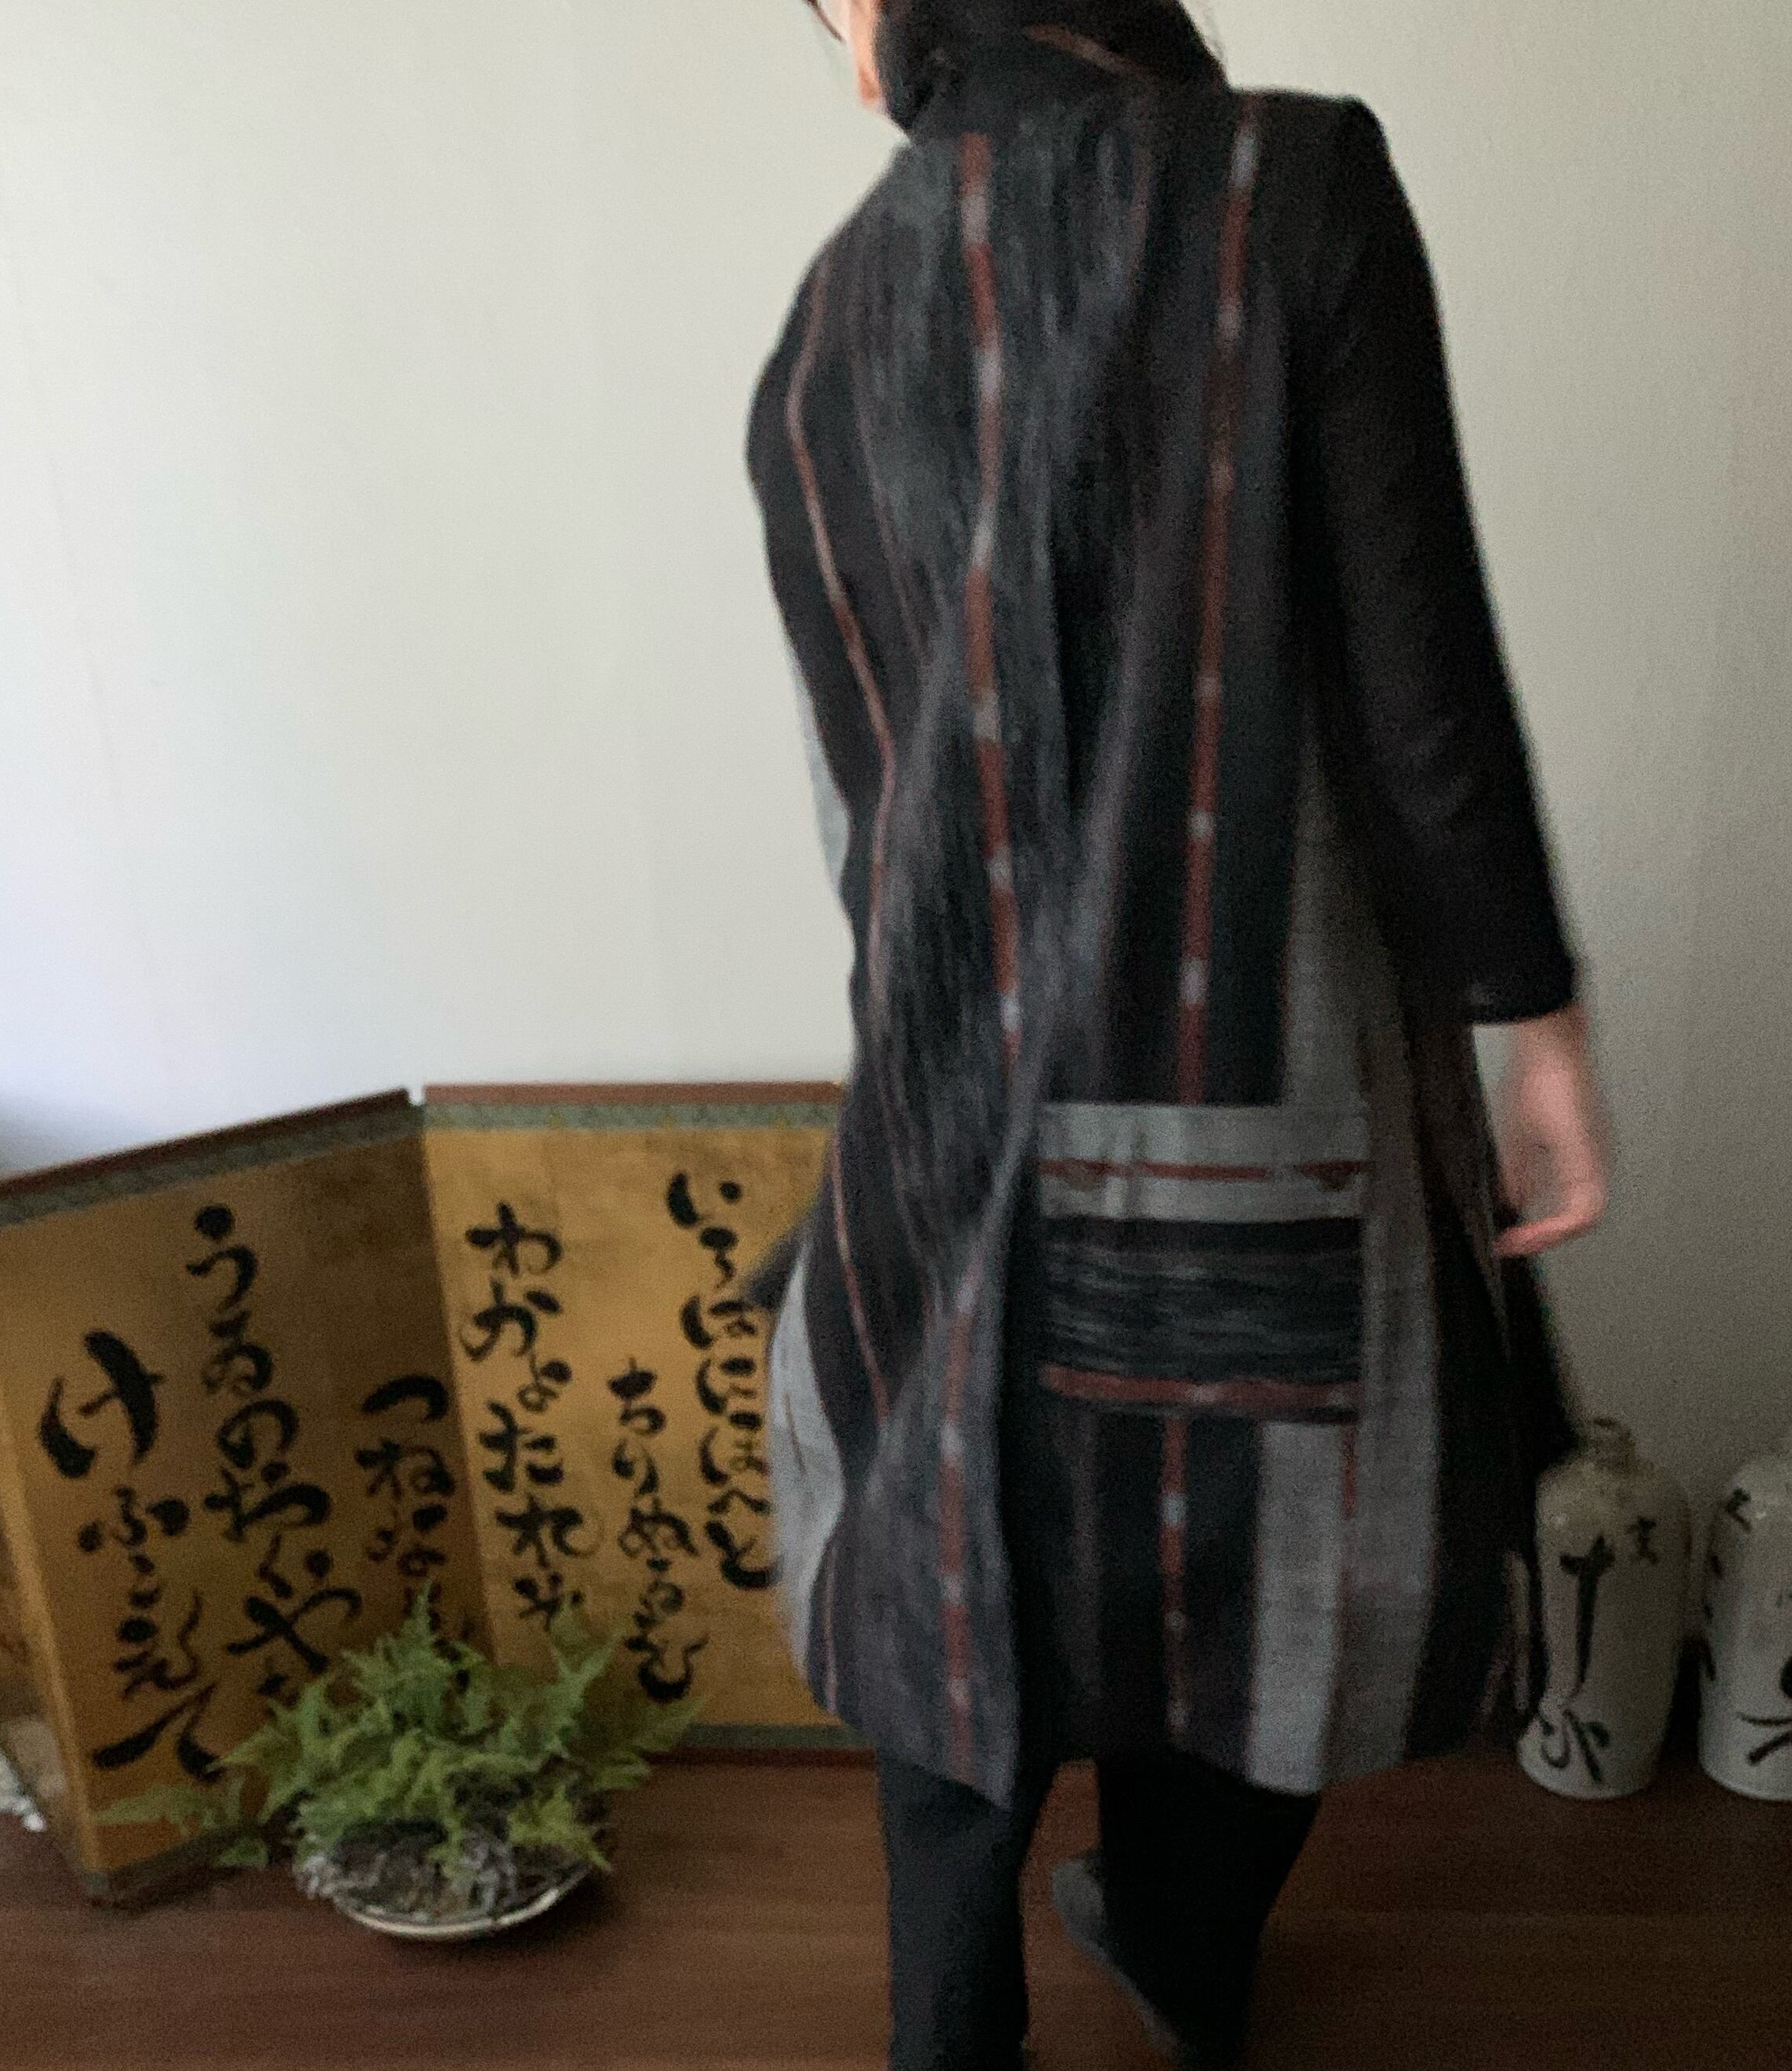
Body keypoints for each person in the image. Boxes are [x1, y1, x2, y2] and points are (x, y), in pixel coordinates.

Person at [740, 3, 1612, 2067]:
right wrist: (1533, 1021)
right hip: (1253, 1098)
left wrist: (916, 1078)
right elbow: (1415, 670)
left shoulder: (823, 324)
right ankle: (1175, 1945)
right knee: (1256, 1569)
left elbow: (863, 815)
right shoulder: (1286, 187)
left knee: (951, 1557)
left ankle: (951, 2037)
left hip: (944, 1112)